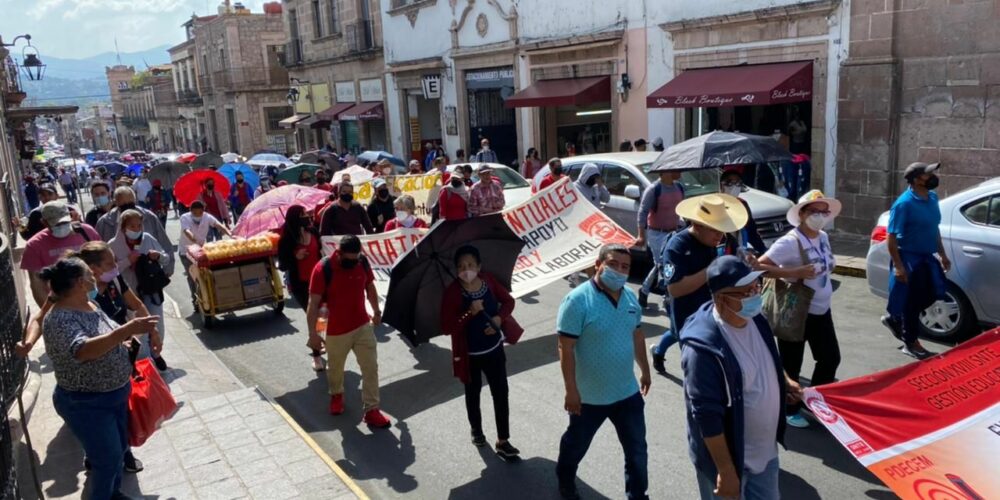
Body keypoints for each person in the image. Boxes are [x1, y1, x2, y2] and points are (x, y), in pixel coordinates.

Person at [18, 241, 155, 474]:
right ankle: (106, 466)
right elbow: (40, 319)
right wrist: (29, 342)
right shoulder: (68, 291)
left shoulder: (114, 281)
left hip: (117, 367)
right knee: (103, 442)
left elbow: (136, 304)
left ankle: (121, 455)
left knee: (120, 424)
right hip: (88, 386)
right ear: (90, 270)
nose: (114, 266)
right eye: (108, 263)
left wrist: (152, 332)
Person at [680, 255, 803, 500]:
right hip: (730, 462)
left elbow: (769, 358)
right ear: (720, 299)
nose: (754, 296)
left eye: (755, 288)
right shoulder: (703, 349)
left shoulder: (755, 318)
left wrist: (783, 381)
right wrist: (725, 470)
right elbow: (706, 414)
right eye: (745, 292)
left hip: (766, 455)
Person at [555, 244, 651, 500]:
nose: (619, 271)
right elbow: (565, 347)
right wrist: (571, 390)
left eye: (625, 267)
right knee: (576, 444)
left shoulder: (630, 299)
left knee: (637, 450)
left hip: (626, 392)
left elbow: (637, 334)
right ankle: (565, 480)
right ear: (597, 265)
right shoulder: (577, 301)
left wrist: (645, 369)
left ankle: (638, 495)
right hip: (589, 397)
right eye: (613, 264)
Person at [758, 190, 842, 429]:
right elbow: (761, 267)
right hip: (797, 311)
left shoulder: (823, 237)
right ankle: (788, 408)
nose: (820, 216)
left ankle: (812, 402)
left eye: (823, 212)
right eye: (814, 211)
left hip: (821, 309)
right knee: (791, 362)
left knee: (829, 358)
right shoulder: (789, 242)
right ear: (802, 214)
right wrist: (794, 273)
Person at [650, 194, 748, 374]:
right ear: (696, 224)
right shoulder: (677, 246)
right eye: (715, 230)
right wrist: (712, 269)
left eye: (722, 230)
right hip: (689, 320)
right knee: (699, 372)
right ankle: (658, 352)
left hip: (714, 314)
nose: (720, 235)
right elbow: (675, 289)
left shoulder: (715, 241)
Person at [440, 245, 520, 457]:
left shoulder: (489, 282)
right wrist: (469, 313)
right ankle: (476, 430)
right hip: (470, 357)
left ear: (479, 266)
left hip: (494, 351)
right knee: (472, 394)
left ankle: (503, 441)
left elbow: (508, 302)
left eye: (470, 265)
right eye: (461, 266)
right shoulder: (453, 292)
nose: (466, 270)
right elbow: (448, 327)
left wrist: (498, 318)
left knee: (501, 393)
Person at [306, 235, 391, 427]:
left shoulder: (362, 262)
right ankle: (336, 395)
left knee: (370, 367)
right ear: (339, 252)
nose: (352, 263)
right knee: (335, 368)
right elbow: (314, 304)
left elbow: (370, 287)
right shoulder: (323, 268)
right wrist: (314, 334)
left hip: (362, 326)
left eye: (356, 259)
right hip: (334, 330)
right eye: (349, 259)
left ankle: (372, 409)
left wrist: (377, 311)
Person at [882, 162, 949, 360]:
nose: (933, 177)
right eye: (928, 174)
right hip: (909, 258)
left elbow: (934, 228)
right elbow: (891, 237)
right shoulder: (903, 204)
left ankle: (896, 320)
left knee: (932, 294)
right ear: (916, 179)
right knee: (912, 302)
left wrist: (942, 254)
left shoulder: (932, 197)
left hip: (927, 257)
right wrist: (899, 267)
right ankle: (911, 343)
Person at [109, 209, 171, 369]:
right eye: (132, 226)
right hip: (130, 294)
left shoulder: (148, 239)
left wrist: (158, 256)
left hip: (151, 290)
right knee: (140, 330)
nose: (136, 229)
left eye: (139, 225)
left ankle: (156, 354)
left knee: (157, 325)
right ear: (123, 227)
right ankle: (145, 362)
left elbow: (166, 258)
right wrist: (127, 261)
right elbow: (110, 271)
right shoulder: (112, 246)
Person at [20, 202, 101, 307]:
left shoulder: (87, 232)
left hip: (96, 298)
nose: (62, 226)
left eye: (64, 222)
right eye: (57, 224)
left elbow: (103, 261)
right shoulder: (34, 246)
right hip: (62, 305)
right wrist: (49, 312)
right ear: (44, 222)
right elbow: (37, 285)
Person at [277, 205, 325, 372]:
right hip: (301, 284)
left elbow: (323, 252)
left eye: (306, 213)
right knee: (313, 316)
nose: (307, 216)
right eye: (303, 214)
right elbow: (282, 265)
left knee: (323, 316)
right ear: (295, 218)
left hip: (320, 282)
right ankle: (316, 355)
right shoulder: (287, 239)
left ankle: (319, 339)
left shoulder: (313, 232)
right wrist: (294, 256)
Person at [636, 169, 685, 308]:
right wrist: (641, 235)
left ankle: (645, 290)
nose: (680, 171)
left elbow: (681, 209)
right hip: (657, 233)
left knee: (664, 264)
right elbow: (643, 212)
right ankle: (667, 296)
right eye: (675, 168)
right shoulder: (654, 189)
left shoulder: (679, 187)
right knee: (663, 264)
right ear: (665, 172)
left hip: (674, 232)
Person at [97, 187, 174, 258]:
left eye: (130, 203)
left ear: (135, 200)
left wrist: (167, 269)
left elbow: (164, 243)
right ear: (116, 203)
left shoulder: (149, 217)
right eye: (124, 205)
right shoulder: (104, 222)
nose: (128, 208)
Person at [178, 201, 231, 302]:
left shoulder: (207, 217)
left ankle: (209, 297)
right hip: (186, 252)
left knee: (205, 275)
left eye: (200, 213)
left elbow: (218, 225)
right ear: (191, 211)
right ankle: (195, 300)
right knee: (193, 276)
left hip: (200, 252)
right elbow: (186, 231)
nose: (198, 215)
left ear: (203, 211)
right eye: (195, 213)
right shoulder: (185, 217)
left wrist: (229, 233)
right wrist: (193, 239)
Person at [719, 169, 767, 256]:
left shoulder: (742, 204)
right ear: (722, 186)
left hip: (741, 250)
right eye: (730, 183)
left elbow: (752, 231)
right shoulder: (715, 204)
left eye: (738, 183)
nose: (734, 187)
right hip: (722, 252)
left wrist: (763, 250)